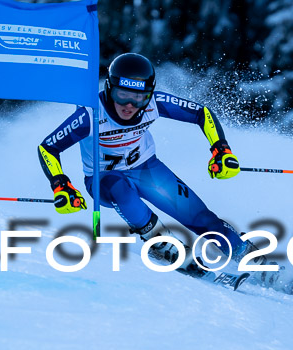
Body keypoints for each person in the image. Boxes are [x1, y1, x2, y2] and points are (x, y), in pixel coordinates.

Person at [37, 52, 251, 267]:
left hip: (146, 168)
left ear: (149, 94)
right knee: (121, 188)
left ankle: (246, 254)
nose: (129, 105)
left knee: (200, 219)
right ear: (110, 88)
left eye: (139, 97)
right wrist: (60, 184)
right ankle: (162, 245)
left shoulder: (155, 104)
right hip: (103, 178)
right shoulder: (90, 114)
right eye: (122, 95)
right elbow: (48, 147)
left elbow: (201, 113)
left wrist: (221, 150)